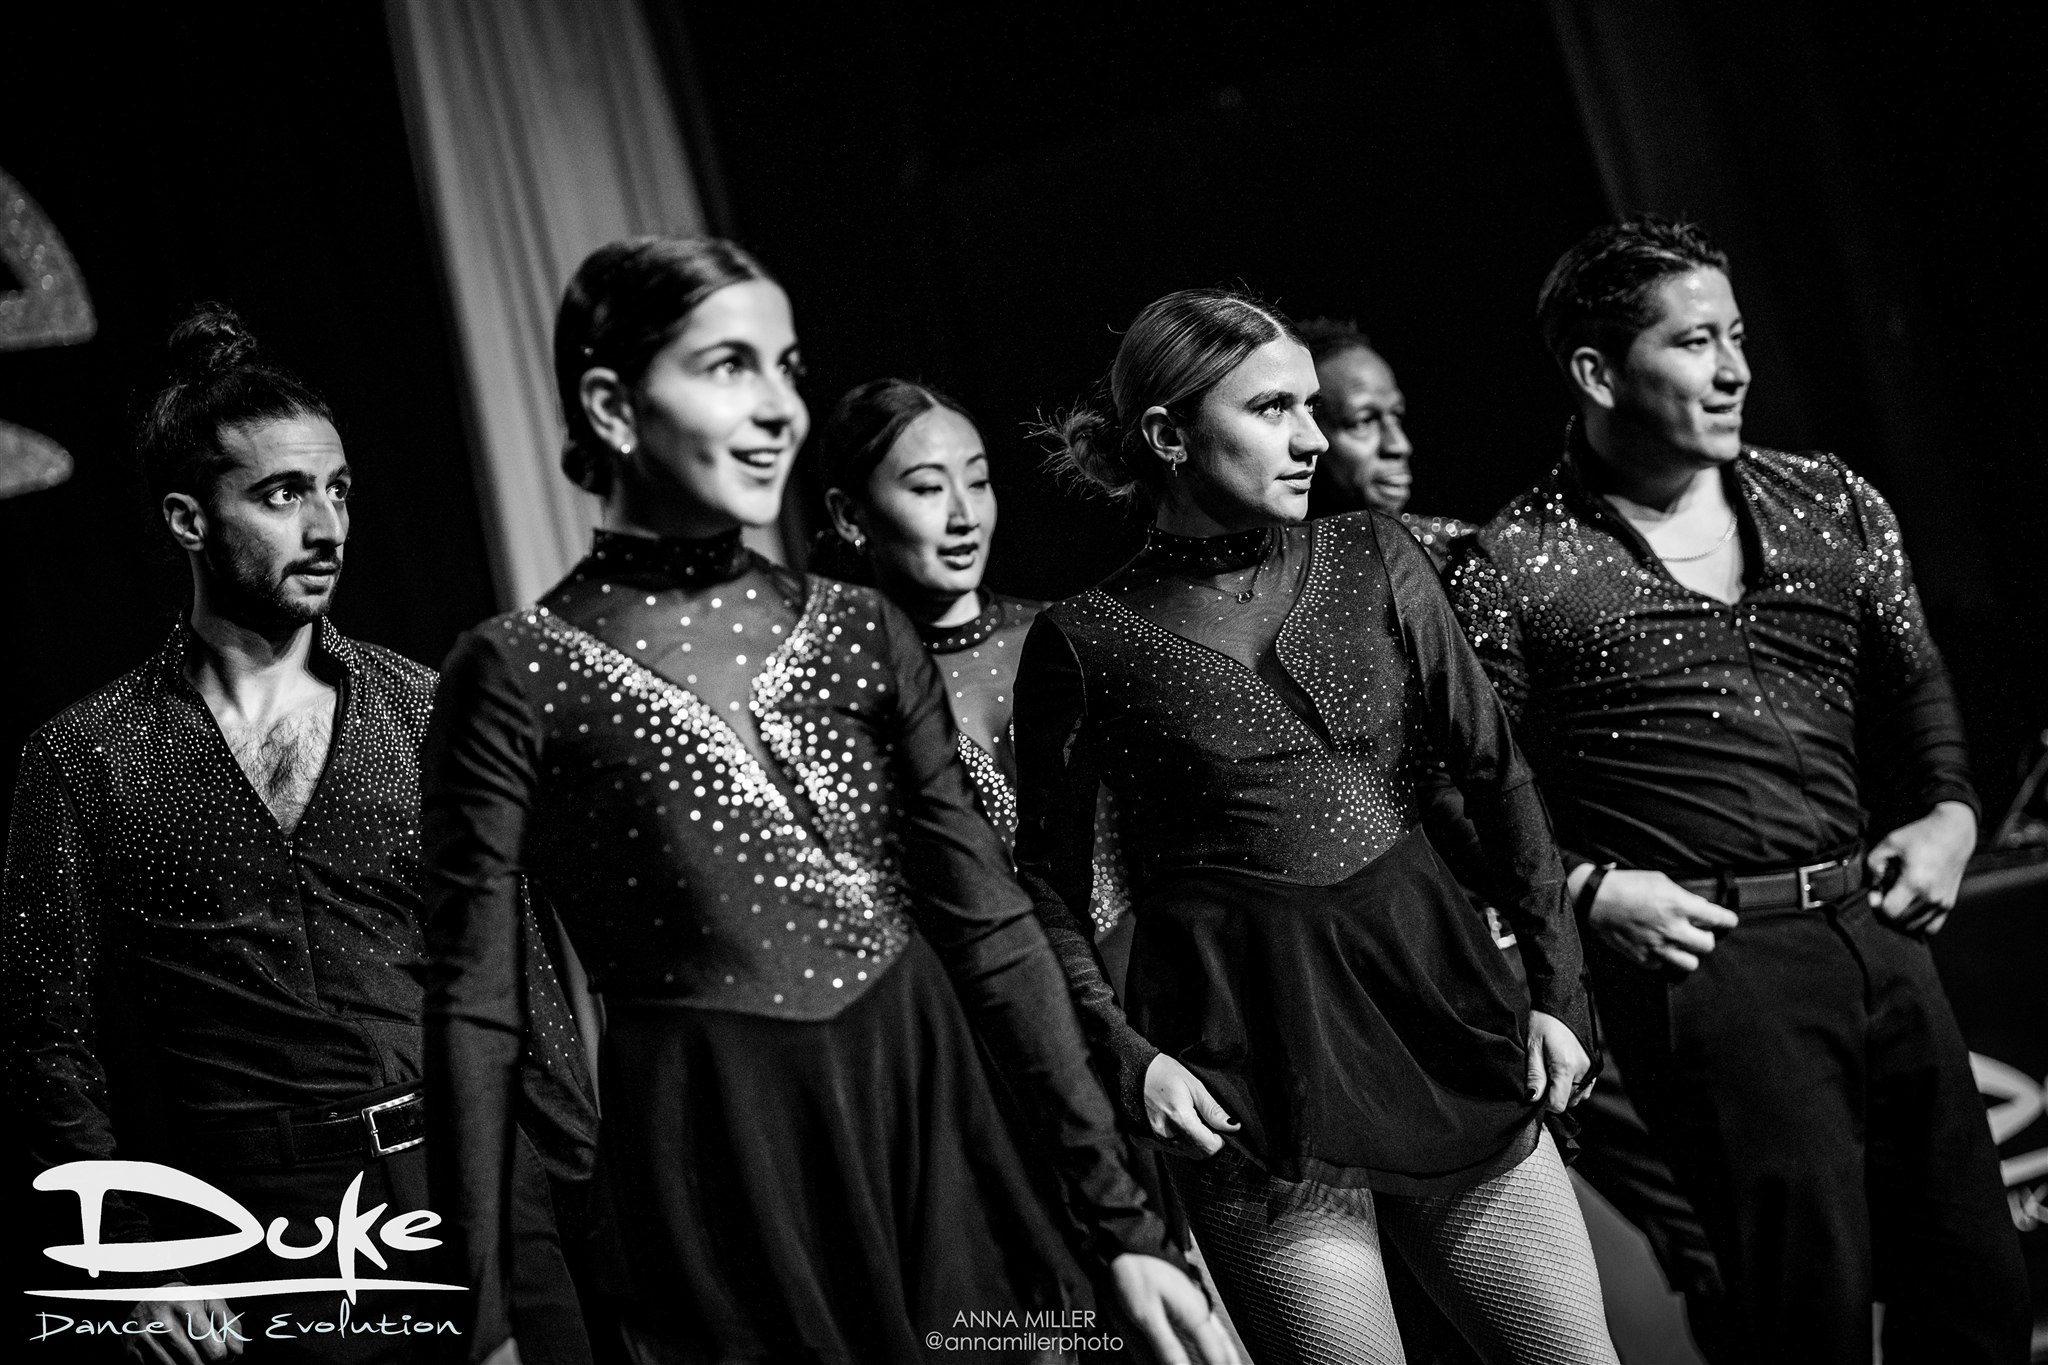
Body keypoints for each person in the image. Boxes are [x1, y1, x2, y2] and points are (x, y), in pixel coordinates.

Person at [419, 237, 1236, 1365]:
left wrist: (1122, 1224)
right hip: (724, 1165)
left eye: (786, 368)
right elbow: (475, 1007)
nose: (776, 409)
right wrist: (476, 1319)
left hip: (933, 1126)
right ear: (610, 405)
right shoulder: (514, 670)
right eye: (728, 367)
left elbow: (993, 930)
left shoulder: (860, 630)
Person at [1446, 214, 2031, 1364]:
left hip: (1873, 930)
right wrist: (1586, 889)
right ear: (1595, 373)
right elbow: (1462, 796)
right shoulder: (1512, 561)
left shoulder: (1828, 501)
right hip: (1710, 969)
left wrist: (1950, 814)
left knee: (1978, 1293)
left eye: (1737, 336)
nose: (1732, 371)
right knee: (1805, 1315)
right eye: (1693, 342)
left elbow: (1914, 688)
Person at [1013, 287, 1617, 1365]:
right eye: (1271, 409)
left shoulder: (1373, 554)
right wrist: (1127, 1056)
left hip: (1440, 1017)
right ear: (1169, 436)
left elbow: (1497, 779)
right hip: (1254, 1075)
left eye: (1309, 405)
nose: (1312, 439)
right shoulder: (1083, 640)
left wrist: (1557, 991)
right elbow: (1047, 894)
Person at [0, 307, 593, 1365]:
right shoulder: (86, 757)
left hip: (480, 1186)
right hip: (267, 1225)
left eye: (339, 490)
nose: (328, 528)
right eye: (283, 495)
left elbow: (521, 981)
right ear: (189, 519)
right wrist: (124, 1253)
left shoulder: (432, 713)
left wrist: (588, 1212)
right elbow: (45, 1035)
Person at [810, 378, 1133, 941]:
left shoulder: (1070, 636)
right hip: (989, 982)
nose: (965, 515)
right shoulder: (844, 689)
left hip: (1144, 968)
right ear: (849, 516)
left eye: (978, 482)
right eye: (928, 488)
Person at [1295, 318, 1469, 566]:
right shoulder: (1264, 576)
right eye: (1363, 421)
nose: (1399, 446)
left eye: (1397, 415)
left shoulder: (1461, 558)